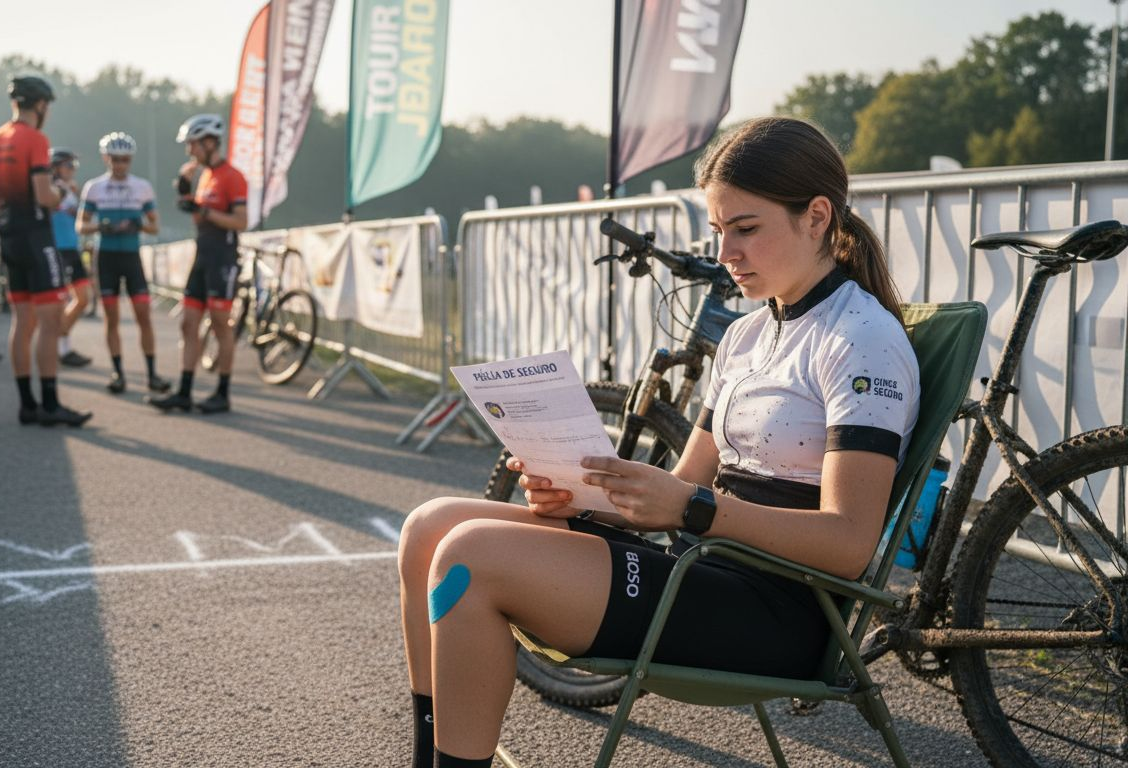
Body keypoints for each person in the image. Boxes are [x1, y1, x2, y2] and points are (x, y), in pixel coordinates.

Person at [394, 117, 921, 767]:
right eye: (717, 231)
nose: (726, 253)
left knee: (470, 556)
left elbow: (847, 544)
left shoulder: (860, 340)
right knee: (429, 527)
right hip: (699, 574)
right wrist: (585, 499)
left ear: (816, 217)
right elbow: (687, 483)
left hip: (780, 612)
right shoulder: (746, 337)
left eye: (746, 228)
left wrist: (694, 510)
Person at [0, 75, 92, 427]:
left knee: (21, 320)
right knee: (48, 321)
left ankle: (27, 404)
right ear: (41, 105)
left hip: (7, 233)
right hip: (35, 234)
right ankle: (50, 404)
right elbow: (45, 196)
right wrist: (62, 196)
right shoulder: (35, 139)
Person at [148, 114, 247, 414]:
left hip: (223, 257)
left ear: (208, 142)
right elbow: (198, 212)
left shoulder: (233, 176)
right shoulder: (204, 175)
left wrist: (204, 211)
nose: (189, 151)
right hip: (202, 256)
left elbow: (240, 222)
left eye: (192, 144)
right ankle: (185, 391)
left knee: (220, 325)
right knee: (188, 323)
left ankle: (222, 392)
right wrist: (185, 192)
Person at [76, 132, 171, 395]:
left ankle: (152, 374)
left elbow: (155, 227)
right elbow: (81, 225)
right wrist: (101, 226)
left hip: (132, 258)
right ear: (107, 158)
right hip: (105, 258)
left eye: (125, 160)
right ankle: (118, 372)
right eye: (116, 159)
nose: (120, 165)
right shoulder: (94, 188)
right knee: (111, 318)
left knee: (144, 317)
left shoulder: (142, 187)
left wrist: (139, 223)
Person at [50, 147, 93, 368]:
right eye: (69, 166)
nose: (72, 170)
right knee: (59, 303)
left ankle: (58, 341)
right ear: (56, 168)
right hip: (57, 250)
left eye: (74, 166)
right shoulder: (51, 189)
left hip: (72, 248)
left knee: (83, 299)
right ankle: (61, 349)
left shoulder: (70, 189)